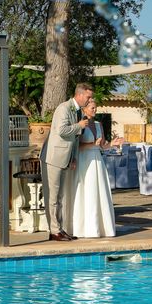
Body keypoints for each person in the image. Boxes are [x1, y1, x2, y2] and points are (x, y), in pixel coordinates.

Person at [40, 82, 94, 242]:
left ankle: (59, 229)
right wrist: (79, 125)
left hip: (65, 158)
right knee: (53, 196)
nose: (90, 100)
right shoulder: (63, 108)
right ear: (80, 95)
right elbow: (62, 131)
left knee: (60, 197)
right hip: (53, 157)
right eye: (88, 96)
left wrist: (74, 157)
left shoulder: (78, 111)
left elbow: (75, 139)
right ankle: (54, 231)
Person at [65, 98, 123, 238]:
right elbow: (76, 146)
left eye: (96, 108)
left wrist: (112, 144)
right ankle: (85, 228)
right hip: (84, 160)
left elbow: (102, 145)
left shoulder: (98, 124)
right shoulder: (80, 124)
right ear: (84, 109)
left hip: (97, 161)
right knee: (87, 192)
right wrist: (92, 145)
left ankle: (101, 228)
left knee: (99, 191)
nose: (95, 110)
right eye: (92, 108)